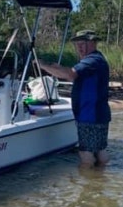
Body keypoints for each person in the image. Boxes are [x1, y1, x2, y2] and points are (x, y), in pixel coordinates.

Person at [39, 29, 111, 168]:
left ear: (93, 43)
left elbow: (70, 75)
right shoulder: (97, 59)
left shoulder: (92, 60)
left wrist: (43, 66)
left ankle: (87, 185)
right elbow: (76, 73)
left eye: (83, 43)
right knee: (100, 151)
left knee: (85, 154)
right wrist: (57, 68)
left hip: (89, 115)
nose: (79, 47)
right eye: (77, 44)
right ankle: (101, 180)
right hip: (99, 114)